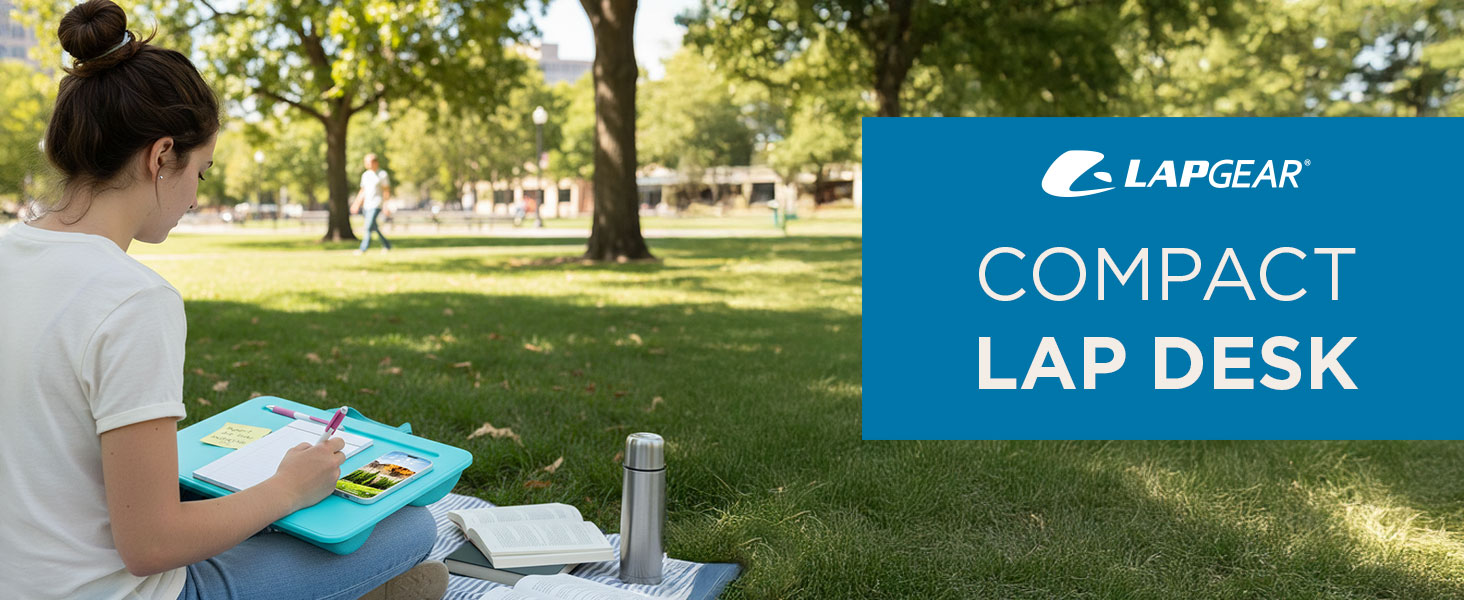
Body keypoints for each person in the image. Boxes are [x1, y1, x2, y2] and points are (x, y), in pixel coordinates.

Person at [0, 2, 445, 599]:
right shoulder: (132, 298)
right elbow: (150, 546)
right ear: (162, 158)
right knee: (411, 527)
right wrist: (286, 488)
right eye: (201, 173)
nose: (192, 196)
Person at [350, 153, 393, 254]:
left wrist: (386, 205)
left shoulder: (382, 174)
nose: (368, 164)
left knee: (368, 226)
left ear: (375, 162)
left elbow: (386, 191)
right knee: (374, 227)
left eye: (369, 162)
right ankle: (387, 245)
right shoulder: (365, 175)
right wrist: (356, 204)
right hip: (367, 205)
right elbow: (362, 191)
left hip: (376, 204)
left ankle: (363, 249)